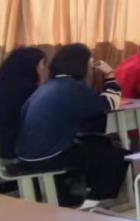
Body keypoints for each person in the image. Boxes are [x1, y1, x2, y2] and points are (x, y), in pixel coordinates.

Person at [16, 44, 127, 204]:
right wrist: (110, 75)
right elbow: (110, 103)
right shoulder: (74, 88)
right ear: (81, 65)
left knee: (99, 143)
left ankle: (82, 193)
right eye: (90, 63)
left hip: (26, 155)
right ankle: (93, 202)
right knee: (117, 155)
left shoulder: (46, 86)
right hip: (49, 156)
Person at [0, 46, 46, 161]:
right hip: (10, 150)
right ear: (30, 67)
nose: (44, 70)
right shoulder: (25, 93)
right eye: (42, 65)